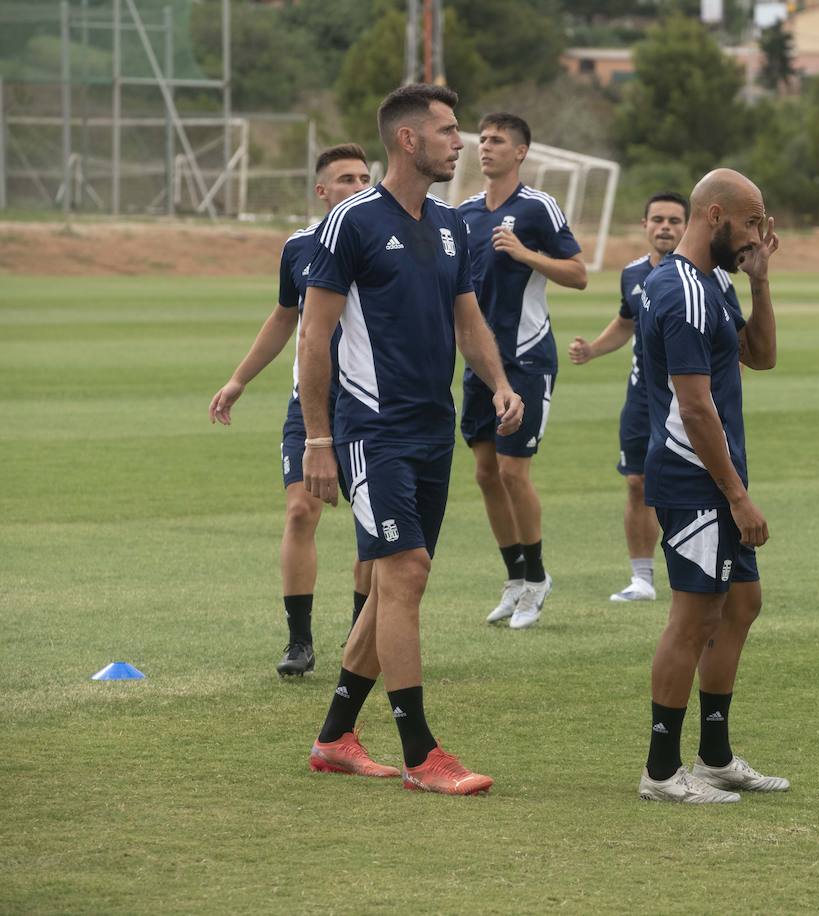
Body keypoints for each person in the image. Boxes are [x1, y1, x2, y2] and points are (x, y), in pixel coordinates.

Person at [300, 83, 524, 794]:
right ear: (408, 140)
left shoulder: (453, 225)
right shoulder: (353, 223)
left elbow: (469, 319)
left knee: (399, 583)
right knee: (406, 575)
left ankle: (335, 736)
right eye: (449, 131)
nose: (459, 142)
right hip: (372, 428)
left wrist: (499, 383)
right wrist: (317, 440)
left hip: (434, 430)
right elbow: (314, 334)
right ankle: (422, 753)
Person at [636, 168, 788, 803]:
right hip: (694, 478)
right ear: (717, 215)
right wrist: (736, 495)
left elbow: (761, 355)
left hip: (716, 474)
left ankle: (716, 756)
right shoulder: (681, 292)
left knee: (741, 604)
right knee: (694, 616)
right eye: (753, 222)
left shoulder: (715, 282)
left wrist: (759, 281)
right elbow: (695, 409)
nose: (760, 235)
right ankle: (662, 771)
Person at [208, 143, 375, 677]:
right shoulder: (300, 246)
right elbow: (286, 318)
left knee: (372, 526)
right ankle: (299, 642)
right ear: (321, 191)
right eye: (345, 178)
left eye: (364, 177)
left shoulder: (388, 241)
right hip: (312, 402)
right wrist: (239, 380)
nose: (357, 185)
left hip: (372, 403)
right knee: (300, 511)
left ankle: (361, 634)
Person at [456, 113, 587, 630]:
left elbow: (578, 273)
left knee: (514, 471)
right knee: (486, 473)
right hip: (480, 362)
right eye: (482, 140)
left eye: (498, 141)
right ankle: (513, 578)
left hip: (528, 355)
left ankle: (536, 579)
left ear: (521, 152)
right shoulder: (463, 213)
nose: (486, 148)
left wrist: (525, 253)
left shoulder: (537, 207)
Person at [567, 192, 691, 603]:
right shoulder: (633, 274)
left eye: (675, 220)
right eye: (658, 219)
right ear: (644, 224)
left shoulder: (704, 275)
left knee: (687, 485)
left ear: (686, 227)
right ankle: (642, 580)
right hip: (641, 397)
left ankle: (694, 573)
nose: (665, 227)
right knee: (637, 483)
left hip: (687, 398)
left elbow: (732, 333)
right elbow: (626, 322)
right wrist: (593, 350)